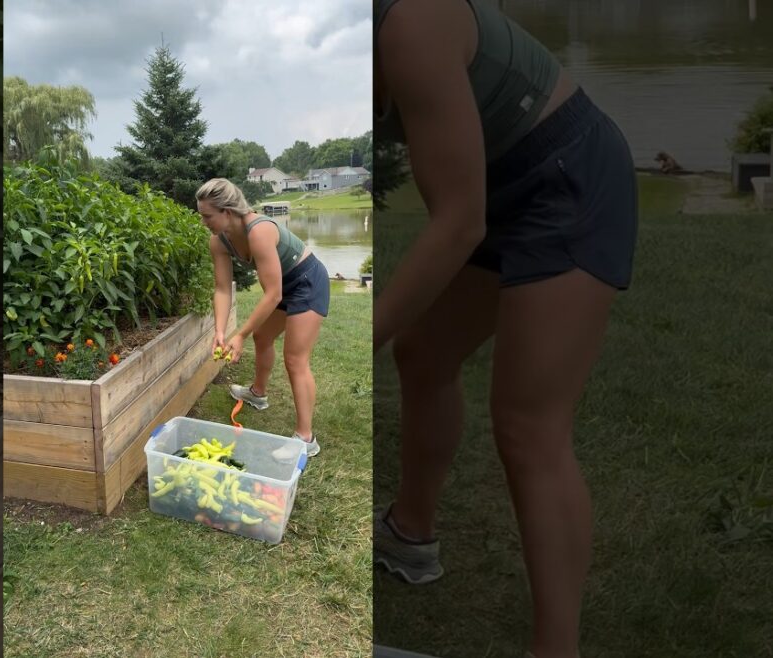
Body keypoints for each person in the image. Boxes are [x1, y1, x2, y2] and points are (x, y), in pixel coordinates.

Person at [373, 1, 638, 657]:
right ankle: (411, 536)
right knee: (424, 354)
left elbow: (457, 222)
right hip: (497, 184)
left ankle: (557, 648)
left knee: (528, 424)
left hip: (568, 177)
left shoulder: (410, 19)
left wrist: (351, 341)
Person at [196, 178, 329, 457]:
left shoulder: (260, 231)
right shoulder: (218, 241)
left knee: (295, 358)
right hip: (283, 284)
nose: (203, 222)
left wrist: (239, 334)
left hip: (307, 281)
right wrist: (220, 331)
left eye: (207, 216)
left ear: (227, 212)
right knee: (263, 336)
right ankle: (258, 394)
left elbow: (273, 294)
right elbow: (222, 289)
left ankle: (306, 438)